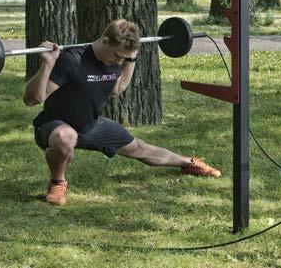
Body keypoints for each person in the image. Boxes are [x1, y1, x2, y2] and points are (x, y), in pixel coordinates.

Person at [24, 19, 221, 206]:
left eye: (124, 58)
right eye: (118, 56)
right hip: (54, 124)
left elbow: (116, 89)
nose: (119, 61)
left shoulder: (114, 62)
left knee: (139, 148)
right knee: (66, 138)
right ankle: (57, 182)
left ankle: (189, 163)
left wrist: (131, 60)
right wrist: (47, 64)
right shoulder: (72, 60)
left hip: (89, 124)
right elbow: (32, 99)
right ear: (105, 41)